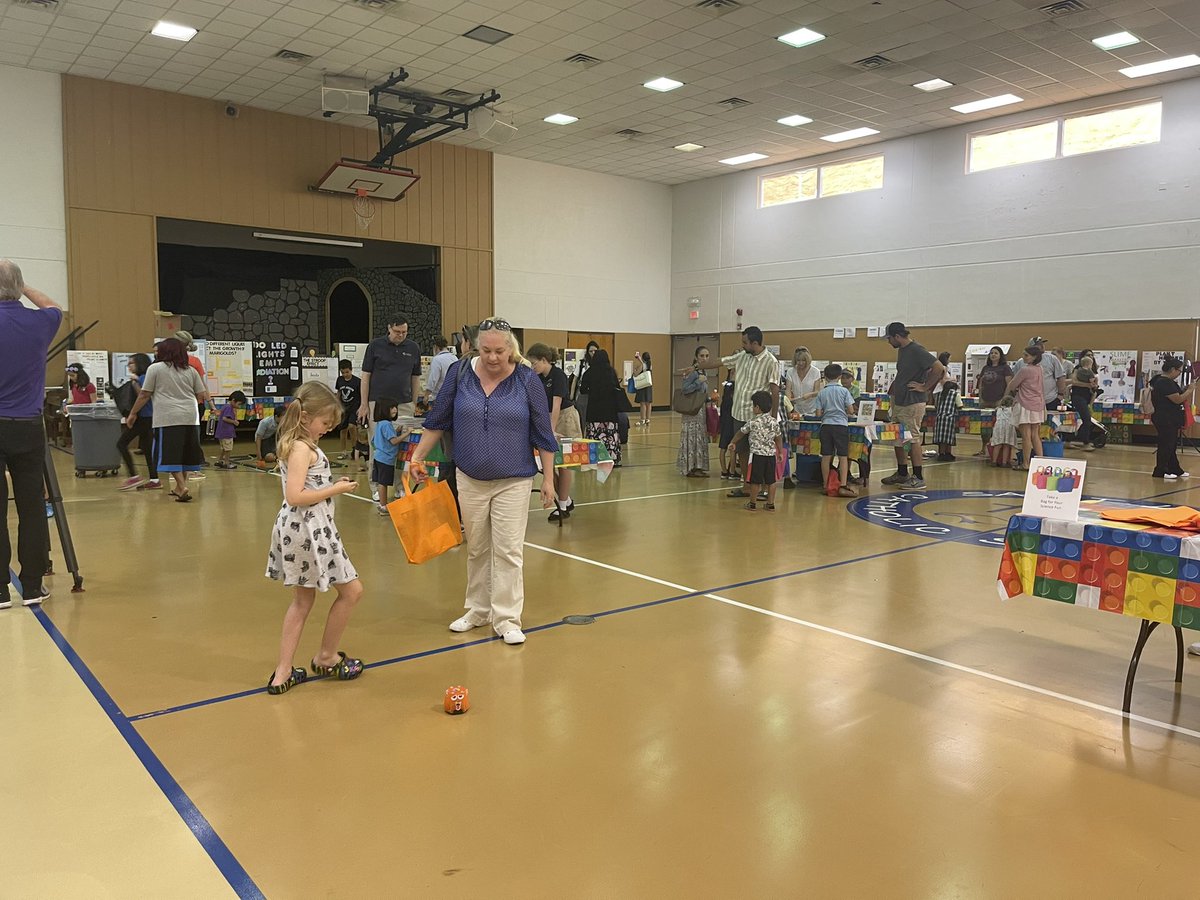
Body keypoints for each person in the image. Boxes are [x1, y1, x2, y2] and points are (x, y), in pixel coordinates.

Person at [410, 318, 558, 645]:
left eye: (500, 351)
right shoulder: (460, 373)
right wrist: (417, 457)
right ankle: (478, 610)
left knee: (508, 550)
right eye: (486, 350)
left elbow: (543, 433)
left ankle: (506, 617)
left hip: (514, 480)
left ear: (512, 349)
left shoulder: (526, 379)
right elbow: (437, 420)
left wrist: (548, 479)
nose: (493, 358)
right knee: (476, 547)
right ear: (477, 347)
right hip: (470, 477)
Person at [264, 381, 364, 695]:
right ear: (306, 418)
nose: (327, 430)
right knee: (351, 592)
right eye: (324, 423)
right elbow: (295, 495)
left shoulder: (299, 444)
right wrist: (336, 488)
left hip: (305, 528)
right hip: (308, 529)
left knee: (303, 600)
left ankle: (284, 671)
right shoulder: (301, 448)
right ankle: (326, 656)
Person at [0, 262, 62, 608]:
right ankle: (33, 585)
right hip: (27, 425)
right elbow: (52, 306)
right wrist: (21, 288)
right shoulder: (41, 323)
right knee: (32, 506)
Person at [692, 327, 778, 499]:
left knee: (760, 453)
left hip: (758, 418)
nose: (743, 345)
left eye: (745, 342)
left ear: (755, 343)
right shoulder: (742, 356)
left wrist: (773, 417)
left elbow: (775, 391)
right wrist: (695, 366)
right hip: (739, 412)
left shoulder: (771, 361)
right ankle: (747, 486)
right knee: (742, 451)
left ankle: (762, 488)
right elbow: (720, 361)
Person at [126, 338, 210, 503]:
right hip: (190, 417)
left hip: (167, 418)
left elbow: (144, 394)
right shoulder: (190, 370)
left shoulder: (155, 369)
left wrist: (133, 413)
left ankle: (182, 486)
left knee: (169, 453)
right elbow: (201, 394)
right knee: (185, 452)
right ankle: (180, 487)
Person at [880, 322, 942, 489]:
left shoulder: (916, 350)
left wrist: (925, 387)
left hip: (912, 401)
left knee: (912, 438)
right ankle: (902, 473)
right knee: (898, 436)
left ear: (897, 336)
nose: (888, 342)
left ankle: (918, 476)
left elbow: (938, 367)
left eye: (889, 338)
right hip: (900, 401)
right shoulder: (903, 350)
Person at [527, 343, 579, 522]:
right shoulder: (539, 378)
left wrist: (550, 430)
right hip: (549, 418)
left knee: (564, 464)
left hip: (565, 419)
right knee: (549, 465)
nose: (533, 368)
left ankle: (563, 505)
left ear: (544, 360)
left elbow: (557, 405)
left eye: (534, 364)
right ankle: (567, 500)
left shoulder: (558, 376)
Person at [356, 318, 422, 434]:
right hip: (377, 403)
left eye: (404, 332)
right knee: (378, 443)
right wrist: (364, 404)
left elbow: (415, 377)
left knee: (403, 442)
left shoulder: (413, 348)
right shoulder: (375, 345)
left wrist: (414, 403)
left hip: (404, 404)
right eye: (397, 332)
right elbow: (366, 376)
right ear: (389, 328)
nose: (401, 335)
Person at [728, 390, 782, 511]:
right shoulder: (774, 422)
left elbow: (741, 432)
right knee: (771, 481)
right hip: (770, 455)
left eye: (753, 406)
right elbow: (778, 438)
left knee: (754, 481)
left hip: (757, 455)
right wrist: (780, 452)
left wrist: (733, 442)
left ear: (757, 407)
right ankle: (770, 504)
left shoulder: (753, 422)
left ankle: (752, 503)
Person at [813, 364, 857, 498]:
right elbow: (850, 410)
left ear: (825, 377)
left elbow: (818, 413)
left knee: (826, 456)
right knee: (843, 456)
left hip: (826, 426)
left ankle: (826, 485)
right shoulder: (844, 391)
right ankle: (843, 485)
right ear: (839, 377)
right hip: (841, 426)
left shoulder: (822, 392)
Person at [117, 353, 159, 491]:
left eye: (131, 363)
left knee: (121, 443)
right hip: (148, 417)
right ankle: (154, 479)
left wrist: (132, 414)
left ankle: (134, 476)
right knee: (147, 448)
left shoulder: (143, 377)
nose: (129, 366)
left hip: (144, 417)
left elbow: (144, 395)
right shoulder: (143, 377)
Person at [1149, 358, 1196, 480]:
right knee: (1166, 444)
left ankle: (1175, 469)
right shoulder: (1164, 382)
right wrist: (1190, 391)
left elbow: (1178, 394)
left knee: (1171, 444)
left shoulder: (1165, 381)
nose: (1179, 373)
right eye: (1179, 371)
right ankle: (1160, 470)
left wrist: (1185, 389)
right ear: (1172, 369)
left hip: (1169, 418)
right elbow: (1177, 399)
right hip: (1165, 418)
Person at [578, 348, 626, 468]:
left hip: (594, 411)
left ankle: (594, 459)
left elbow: (583, 390)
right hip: (610, 411)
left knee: (595, 435)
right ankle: (612, 458)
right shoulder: (611, 372)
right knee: (610, 435)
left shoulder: (589, 372)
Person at [1003, 346, 1047, 469]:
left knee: (1026, 435)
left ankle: (1026, 463)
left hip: (1025, 404)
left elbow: (1012, 385)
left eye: (1026, 355)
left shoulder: (1025, 370)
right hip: (1037, 404)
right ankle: (1040, 462)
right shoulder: (1040, 369)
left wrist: (1006, 396)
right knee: (1035, 435)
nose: (1024, 357)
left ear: (1034, 357)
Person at [677, 346, 711, 477]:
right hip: (692, 410)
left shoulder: (704, 372)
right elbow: (685, 389)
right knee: (692, 436)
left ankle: (698, 466)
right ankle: (690, 466)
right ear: (696, 357)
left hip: (701, 409)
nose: (705, 358)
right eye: (702, 356)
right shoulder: (692, 372)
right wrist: (698, 382)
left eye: (707, 356)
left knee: (700, 437)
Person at [1011, 336, 1067, 410]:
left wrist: (1060, 395)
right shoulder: (1021, 362)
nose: (1042, 346)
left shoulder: (1052, 358)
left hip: (1050, 399)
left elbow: (1060, 377)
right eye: (1039, 345)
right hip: (1028, 401)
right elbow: (1014, 381)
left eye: (1042, 344)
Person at [371, 397, 402, 515]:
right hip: (386, 459)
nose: (395, 409)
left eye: (396, 407)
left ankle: (382, 504)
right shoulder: (387, 424)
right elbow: (393, 441)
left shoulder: (380, 424)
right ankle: (384, 506)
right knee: (383, 482)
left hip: (378, 456)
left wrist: (397, 432)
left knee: (380, 482)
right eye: (392, 407)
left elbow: (373, 441)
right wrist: (406, 434)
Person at [932, 352, 959, 462]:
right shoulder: (942, 368)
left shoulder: (944, 367)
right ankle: (943, 452)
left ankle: (945, 452)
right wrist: (952, 380)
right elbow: (942, 381)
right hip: (940, 391)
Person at [1068, 357, 1098, 451]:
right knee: (1086, 419)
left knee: (1082, 419)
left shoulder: (1082, 371)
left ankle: (1070, 439)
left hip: (1085, 397)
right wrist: (1090, 384)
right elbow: (1074, 382)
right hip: (1078, 396)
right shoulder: (1080, 370)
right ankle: (1085, 442)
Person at [334, 360, 362, 460]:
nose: (345, 374)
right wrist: (337, 405)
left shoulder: (357, 381)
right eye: (343, 372)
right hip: (343, 408)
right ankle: (343, 451)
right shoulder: (339, 380)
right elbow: (339, 393)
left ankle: (355, 449)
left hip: (354, 408)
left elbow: (362, 396)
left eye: (347, 372)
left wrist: (361, 408)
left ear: (351, 370)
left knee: (352, 427)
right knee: (343, 429)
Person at [214, 390, 246, 469]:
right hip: (226, 432)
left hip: (222, 432)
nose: (239, 406)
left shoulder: (226, 406)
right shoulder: (229, 407)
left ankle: (220, 460)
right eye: (239, 404)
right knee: (228, 449)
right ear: (233, 401)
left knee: (224, 448)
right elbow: (225, 418)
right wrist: (234, 422)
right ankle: (227, 462)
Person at [717, 369, 739, 479]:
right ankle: (732, 471)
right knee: (732, 447)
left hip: (724, 419)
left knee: (723, 447)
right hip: (732, 419)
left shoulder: (726, 385)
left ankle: (724, 471)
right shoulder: (735, 386)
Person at [424, 336, 456, 402]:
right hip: (452, 396)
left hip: (438, 397)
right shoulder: (455, 358)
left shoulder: (437, 359)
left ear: (436, 347)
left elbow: (433, 380)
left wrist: (426, 396)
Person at [989, 396, 1018, 468]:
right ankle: (1004, 462)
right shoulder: (1011, 409)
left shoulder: (998, 409)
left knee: (997, 445)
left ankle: (994, 461)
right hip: (1008, 427)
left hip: (998, 427)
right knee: (1006, 445)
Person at [632, 350, 653, 427]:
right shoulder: (650, 365)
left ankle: (642, 420)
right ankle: (648, 419)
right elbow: (644, 365)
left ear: (643, 358)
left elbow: (636, 374)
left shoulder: (642, 365)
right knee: (648, 403)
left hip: (642, 385)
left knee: (643, 403)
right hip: (649, 385)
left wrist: (634, 370)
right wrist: (639, 359)